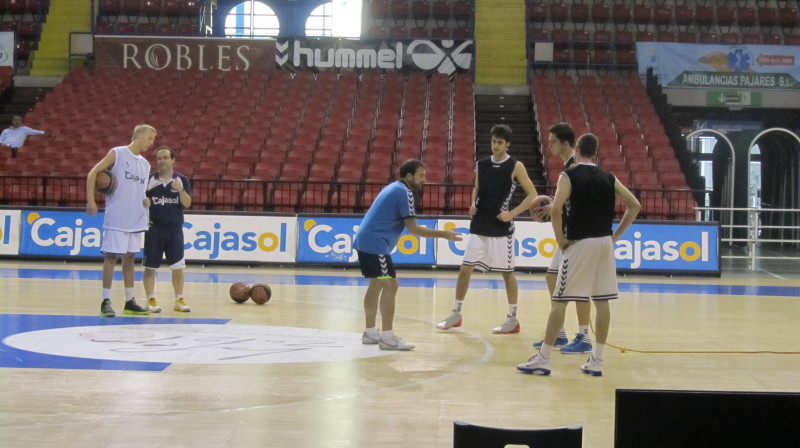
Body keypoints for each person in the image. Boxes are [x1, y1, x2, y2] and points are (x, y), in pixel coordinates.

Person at [517, 133, 640, 377]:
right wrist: (615, 236)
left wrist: (560, 240)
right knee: (602, 302)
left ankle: (543, 358)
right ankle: (597, 360)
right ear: (595, 152)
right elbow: (635, 205)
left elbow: (557, 209)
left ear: (577, 149)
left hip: (580, 243)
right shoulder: (609, 176)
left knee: (560, 300)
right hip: (605, 242)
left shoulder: (568, 174)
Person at [437, 124, 539, 334]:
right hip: (479, 225)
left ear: (507, 144)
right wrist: (472, 204)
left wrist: (512, 213)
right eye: (493, 141)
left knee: (507, 274)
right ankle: (456, 313)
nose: (495, 145)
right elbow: (476, 188)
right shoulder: (481, 164)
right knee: (465, 270)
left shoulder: (515, 166)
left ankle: (513, 318)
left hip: (501, 229)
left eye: (500, 142)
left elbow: (533, 195)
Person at [354, 159, 462, 351]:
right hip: (375, 243)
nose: (425, 180)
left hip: (367, 240)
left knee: (376, 284)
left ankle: (370, 333)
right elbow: (413, 229)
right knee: (390, 284)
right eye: (421, 175)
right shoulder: (405, 192)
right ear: (409, 176)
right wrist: (443, 234)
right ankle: (387, 337)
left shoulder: (395, 188)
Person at [531, 123, 594, 354]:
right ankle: (558, 333)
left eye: (553, 142)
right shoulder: (568, 167)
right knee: (551, 278)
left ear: (566, 143)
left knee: (579, 287)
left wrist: (555, 208)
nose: (550, 146)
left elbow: (581, 202)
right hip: (569, 233)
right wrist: (554, 207)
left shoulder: (575, 167)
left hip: (577, 235)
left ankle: (584, 336)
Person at [87, 124, 157, 317]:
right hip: (117, 216)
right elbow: (93, 173)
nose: (152, 143)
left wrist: (146, 200)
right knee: (110, 258)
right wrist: (91, 200)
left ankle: (129, 301)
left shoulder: (145, 164)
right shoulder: (117, 153)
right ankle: (106, 301)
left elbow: (141, 191)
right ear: (139, 136)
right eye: (150, 138)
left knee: (130, 261)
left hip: (137, 217)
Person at [142, 147, 193, 313]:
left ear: (173, 160)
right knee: (150, 267)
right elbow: (140, 202)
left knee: (178, 267)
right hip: (154, 229)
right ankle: (150, 299)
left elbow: (187, 203)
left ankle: (179, 300)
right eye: (159, 158)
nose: (161, 161)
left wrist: (181, 191)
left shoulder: (181, 180)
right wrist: (144, 204)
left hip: (174, 229)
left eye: (165, 158)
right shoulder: (148, 180)